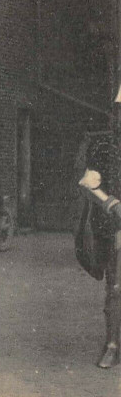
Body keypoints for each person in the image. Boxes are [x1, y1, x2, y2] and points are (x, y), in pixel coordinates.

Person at [78, 131, 121, 368]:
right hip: (117, 225)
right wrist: (111, 203)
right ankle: (113, 345)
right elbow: (87, 183)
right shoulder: (105, 146)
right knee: (116, 287)